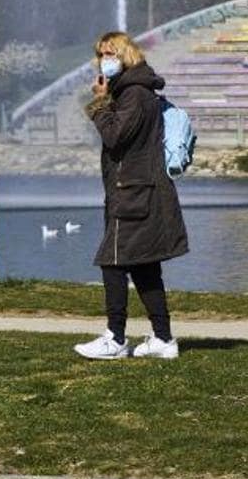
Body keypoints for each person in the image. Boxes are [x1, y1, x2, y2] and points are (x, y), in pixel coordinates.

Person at [74, 31, 188, 361]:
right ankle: (163, 339)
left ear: (125, 54)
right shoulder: (131, 91)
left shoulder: (135, 93)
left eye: (109, 53)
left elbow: (115, 136)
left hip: (134, 192)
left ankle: (115, 337)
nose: (103, 60)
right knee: (144, 267)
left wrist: (98, 103)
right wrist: (108, 98)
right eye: (100, 54)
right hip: (135, 190)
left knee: (112, 261)